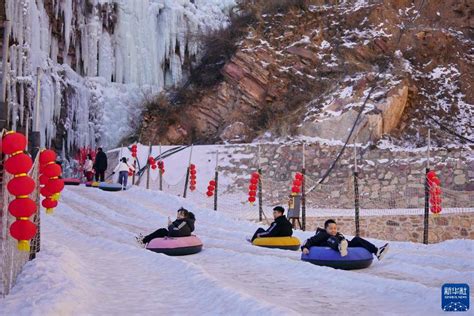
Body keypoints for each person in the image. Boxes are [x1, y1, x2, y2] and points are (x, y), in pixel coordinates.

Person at [301, 219, 389, 260]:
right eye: (331, 228)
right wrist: (305, 247)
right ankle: (340, 247)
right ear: (326, 229)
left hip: (343, 244)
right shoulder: (323, 235)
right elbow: (310, 241)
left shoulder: (338, 234)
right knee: (331, 239)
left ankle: (377, 251)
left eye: (335, 228)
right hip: (329, 244)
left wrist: (347, 242)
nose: (333, 230)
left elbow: (347, 242)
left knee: (357, 239)